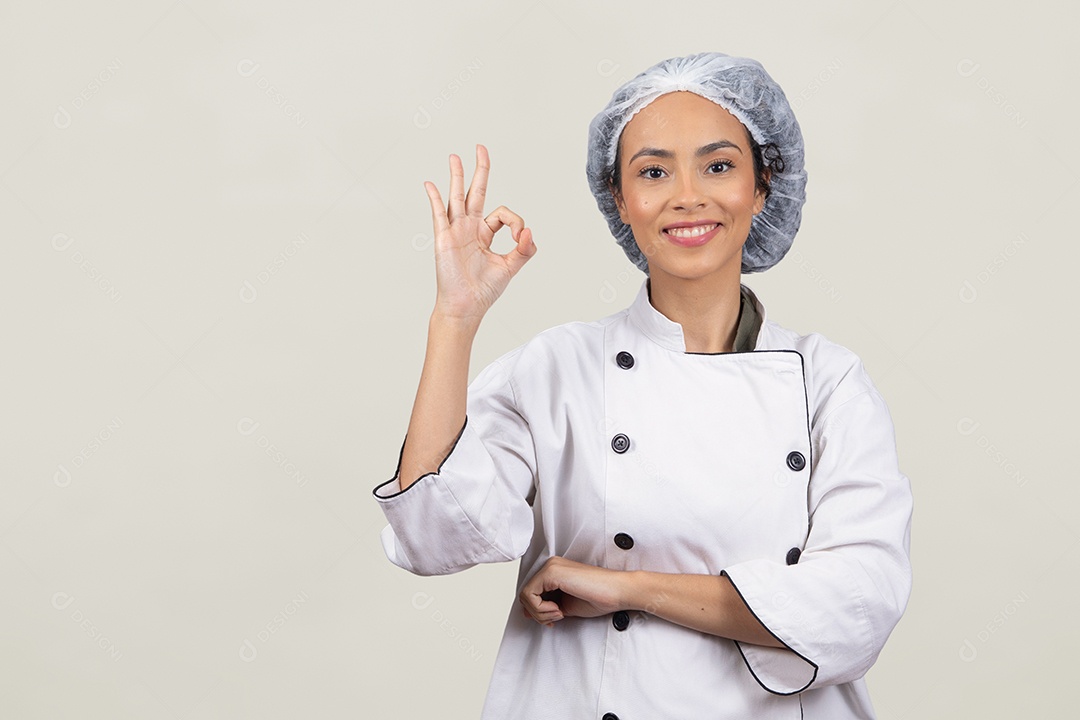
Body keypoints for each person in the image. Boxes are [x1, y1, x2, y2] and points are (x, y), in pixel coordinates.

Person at [372, 51, 913, 719]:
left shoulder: (829, 383)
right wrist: (453, 320)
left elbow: (856, 606)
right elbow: (434, 537)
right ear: (620, 200)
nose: (688, 195)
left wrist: (627, 589)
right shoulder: (557, 368)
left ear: (763, 185)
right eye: (653, 171)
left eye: (718, 165)